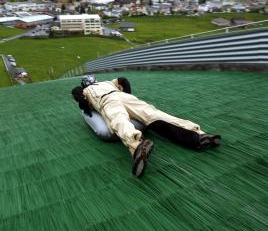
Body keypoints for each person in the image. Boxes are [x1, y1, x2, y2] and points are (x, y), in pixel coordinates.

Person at [71, 75, 221, 178]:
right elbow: (123, 80)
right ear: (95, 79)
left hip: (107, 102)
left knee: (119, 120)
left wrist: (85, 106)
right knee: (155, 115)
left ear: (84, 83)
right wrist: (128, 94)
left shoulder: (84, 90)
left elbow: (81, 101)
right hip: (126, 97)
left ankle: (137, 145)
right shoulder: (108, 82)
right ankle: (198, 135)